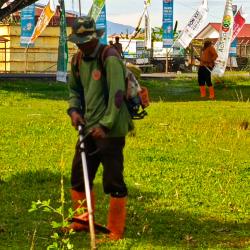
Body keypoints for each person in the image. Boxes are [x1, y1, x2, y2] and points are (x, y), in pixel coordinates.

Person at [66, 16, 133, 240]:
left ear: (95, 38)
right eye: (79, 41)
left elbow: (117, 94)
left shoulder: (109, 58)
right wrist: (74, 110)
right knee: (79, 175)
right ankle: (82, 220)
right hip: (87, 127)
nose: (82, 45)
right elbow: (74, 90)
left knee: (113, 179)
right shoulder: (76, 61)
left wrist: (105, 125)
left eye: (85, 41)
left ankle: (116, 228)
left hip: (110, 130)